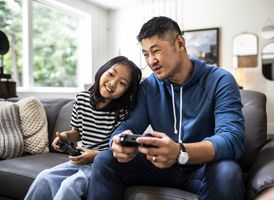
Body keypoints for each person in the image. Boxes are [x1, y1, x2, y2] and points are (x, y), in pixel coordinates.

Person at [87, 16, 245, 200]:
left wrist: (180, 151)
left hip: (202, 167)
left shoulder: (220, 80)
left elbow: (233, 139)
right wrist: (117, 140)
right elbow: (128, 125)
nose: (151, 61)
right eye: (146, 54)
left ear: (179, 43)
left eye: (156, 51)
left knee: (228, 171)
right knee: (105, 160)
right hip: (160, 166)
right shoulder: (149, 86)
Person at [24, 56, 142, 200]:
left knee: (70, 186)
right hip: (79, 160)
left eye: (122, 83)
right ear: (102, 71)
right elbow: (77, 132)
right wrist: (66, 137)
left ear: (127, 91)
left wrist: (95, 155)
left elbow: (120, 149)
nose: (112, 83)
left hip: (101, 166)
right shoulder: (82, 99)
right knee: (44, 177)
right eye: (111, 74)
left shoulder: (123, 112)